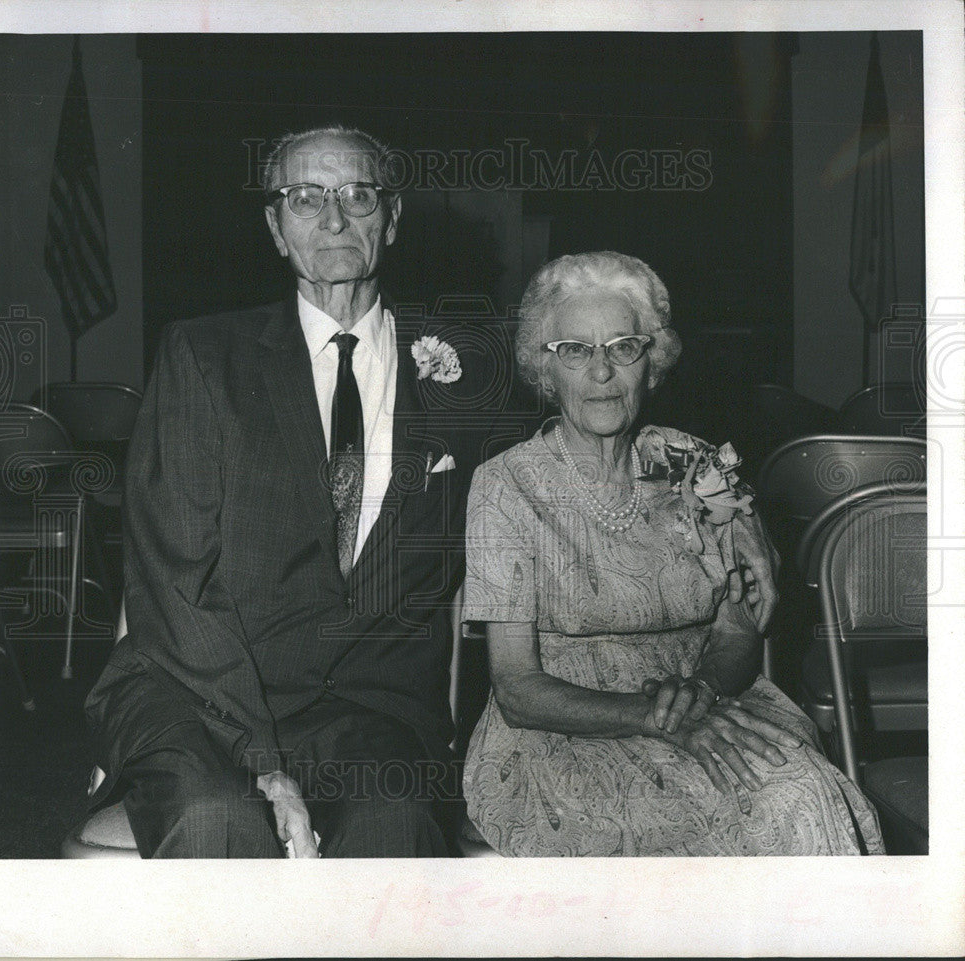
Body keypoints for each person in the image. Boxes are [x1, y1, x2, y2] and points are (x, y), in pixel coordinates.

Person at [84, 127, 780, 859]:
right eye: (304, 198)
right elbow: (176, 587)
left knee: (399, 827)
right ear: (274, 225)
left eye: (358, 195)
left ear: (392, 217)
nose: (333, 220)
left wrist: (729, 502)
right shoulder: (202, 358)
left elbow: (593, 414)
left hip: (367, 709)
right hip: (196, 694)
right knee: (215, 820)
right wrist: (262, 764)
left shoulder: (467, 372)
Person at [461, 251, 884, 856]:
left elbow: (741, 632)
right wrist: (659, 717)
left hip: (712, 702)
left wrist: (701, 693)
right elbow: (518, 689)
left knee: (803, 795)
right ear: (544, 370)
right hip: (568, 735)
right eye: (575, 351)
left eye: (624, 346)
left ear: (651, 361)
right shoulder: (506, 486)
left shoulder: (703, 468)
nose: (602, 372)